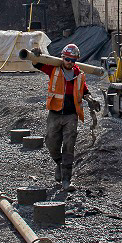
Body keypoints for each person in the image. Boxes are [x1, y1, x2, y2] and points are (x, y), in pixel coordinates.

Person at [34, 43, 97, 190]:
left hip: (71, 115)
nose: (70, 63)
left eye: (73, 60)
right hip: (55, 113)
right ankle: (59, 163)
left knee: (69, 146)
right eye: (68, 59)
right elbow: (37, 64)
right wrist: (35, 54)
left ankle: (67, 179)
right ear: (63, 58)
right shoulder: (54, 69)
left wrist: (90, 98)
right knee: (51, 142)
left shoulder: (79, 74)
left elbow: (84, 90)